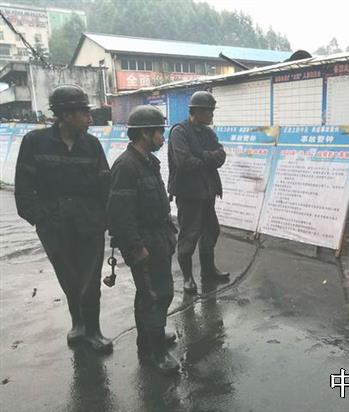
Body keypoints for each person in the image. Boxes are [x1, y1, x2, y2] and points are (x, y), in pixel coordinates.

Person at [14, 84, 112, 352]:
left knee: (90, 279)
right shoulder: (34, 142)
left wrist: (107, 220)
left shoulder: (91, 145)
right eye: (84, 113)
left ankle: (93, 330)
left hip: (89, 223)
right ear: (67, 115)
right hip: (54, 224)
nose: (90, 118)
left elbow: (105, 184)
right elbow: (23, 187)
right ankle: (78, 323)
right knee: (69, 277)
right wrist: (40, 219)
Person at [107, 105, 180, 375]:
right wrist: (136, 248)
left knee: (151, 294)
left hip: (158, 237)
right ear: (145, 134)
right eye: (160, 132)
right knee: (155, 295)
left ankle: (147, 340)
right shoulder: (126, 166)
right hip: (144, 243)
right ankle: (156, 354)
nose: (163, 137)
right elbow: (120, 214)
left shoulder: (148, 161)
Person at [168, 91, 230, 294]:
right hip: (189, 193)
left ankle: (208, 270)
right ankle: (187, 278)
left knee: (211, 231)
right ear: (197, 111)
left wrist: (202, 156)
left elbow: (221, 156)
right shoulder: (179, 132)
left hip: (208, 191)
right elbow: (184, 162)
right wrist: (209, 158)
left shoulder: (207, 132)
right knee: (189, 235)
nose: (212, 115)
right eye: (209, 111)